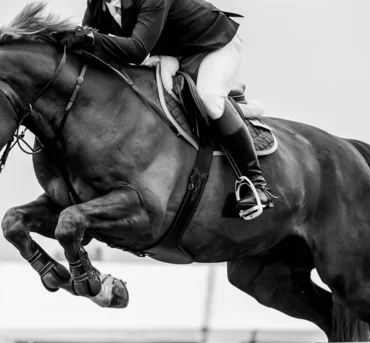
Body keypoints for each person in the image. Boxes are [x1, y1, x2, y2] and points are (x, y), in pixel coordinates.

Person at [54, 0, 275, 218]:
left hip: (214, 44)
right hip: (173, 51)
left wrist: (90, 38)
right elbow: (93, 50)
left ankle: (256, 184)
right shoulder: (97, 4)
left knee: (209, 97)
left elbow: (137, 50)